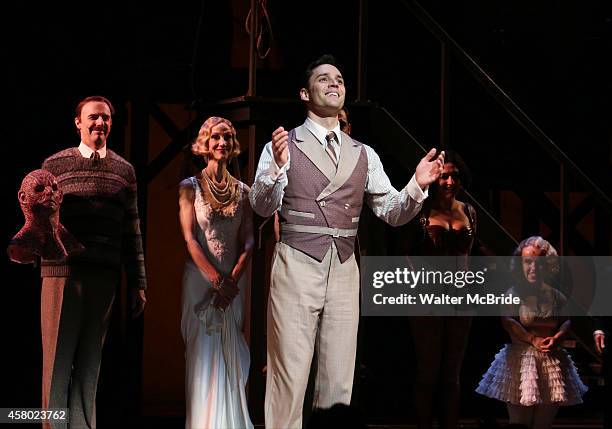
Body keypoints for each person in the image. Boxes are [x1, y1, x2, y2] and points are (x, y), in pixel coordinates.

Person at [249, 54, 445, 429]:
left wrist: (417, 184)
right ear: (305, 94)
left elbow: (392, 210)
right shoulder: (284, 144)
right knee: (288, 373)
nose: (334, 83)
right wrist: (274, 167)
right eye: (323, 79)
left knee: (339, 377)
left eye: (338, 78)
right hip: (298, 261)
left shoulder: (363, 153)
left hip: (343, 266)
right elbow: (260, 206)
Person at [40, 96, 147, 429]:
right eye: (93, 117)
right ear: (78, 122)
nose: (100, 123)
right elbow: (39, 223)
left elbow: (133, 228)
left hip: (104, 277)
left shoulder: (124, 171)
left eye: (106, 118)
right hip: (63, 275)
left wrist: (139, 281)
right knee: (57, 362)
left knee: (90, 363)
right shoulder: (53, 165)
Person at [178, 116, 254, 429]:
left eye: (226, 138)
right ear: (205, 145)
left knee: (231, 352)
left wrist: (231, 280)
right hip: (201, 281)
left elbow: (249, 240)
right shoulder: (189, 187)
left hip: (234, 282)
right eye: (215, 138)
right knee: (203, 354)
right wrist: (215, 279)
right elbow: (190, 237)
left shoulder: (244, 190)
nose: (221, 143)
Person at [399, 150, 478, 429]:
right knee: (428, 372)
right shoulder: (421, 211)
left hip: (461, 301)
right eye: (444, 176)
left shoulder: (469, 211)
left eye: (454, 176)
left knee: (452, 375)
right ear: (435, 178)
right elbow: (405, 255)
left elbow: (468, 256)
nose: (449, 181)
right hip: (427, 299)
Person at [476, 236, 587, 429]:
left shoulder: (555, 295)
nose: (533, 267)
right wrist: (532, 339)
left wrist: (559, 337)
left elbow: (566, 320)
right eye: (527, 262)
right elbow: (508, 322)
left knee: (543, 423)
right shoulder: (513, 293)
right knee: (520, 423)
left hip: (551, 361)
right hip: (521, 362)